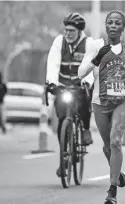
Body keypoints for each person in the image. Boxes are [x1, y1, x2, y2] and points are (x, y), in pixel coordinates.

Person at [78, 10, 125, 204]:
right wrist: (97, 59)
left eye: (117, 23)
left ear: (123, 28)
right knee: (107, 146)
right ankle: (118, 173)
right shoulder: (97, 46)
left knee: (116, 142)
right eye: (110, 23)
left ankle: (112, 190)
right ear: (106, 26)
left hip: (121, 102)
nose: (113, 26)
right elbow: (81, 72)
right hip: (100, 103)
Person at [45, 13, 95, 177]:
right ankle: (64, 155)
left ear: (79, 31)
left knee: (85, 102)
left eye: (71, 31)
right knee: (61, 118)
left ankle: (86, 129)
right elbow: (53, 63)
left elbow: (89, 66)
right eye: (66, 30)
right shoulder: (59, 42)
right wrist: (51, 82)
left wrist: (87, 82)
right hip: (63, 86)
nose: (68, 34)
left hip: (80, 86)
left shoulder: (89, 44)